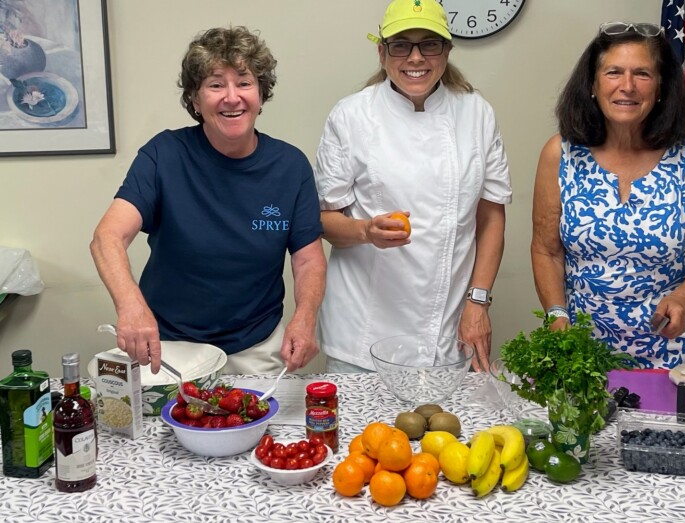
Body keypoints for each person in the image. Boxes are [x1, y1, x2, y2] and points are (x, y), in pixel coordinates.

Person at [90, 27, 326, 375]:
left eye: (244, 83)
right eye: (216, 85)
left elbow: (308, 260)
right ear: (196, 100)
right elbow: (107, 237)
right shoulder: (164, 154)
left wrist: (305, 319)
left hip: (258, 347)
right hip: (171, 347)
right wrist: (131, 306)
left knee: (263, 429)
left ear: (261, 94)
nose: (232, 97)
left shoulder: (290, 166)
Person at [314, 0, 513, 373]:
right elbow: (325, 221)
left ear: (447, 51)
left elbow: (491, 217)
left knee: (448, 433)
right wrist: (365, 230)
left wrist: (478, 302)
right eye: (401, 44)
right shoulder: (351, 115)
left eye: (429, 44)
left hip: (451, 331)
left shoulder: (476, 113)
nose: (416, 58)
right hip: (363, 332)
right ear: (382, 52)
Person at [531, 22, 685, 369]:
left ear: (660, 88)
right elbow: (546, 249)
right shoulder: (560, 154)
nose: (627, 86)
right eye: (613, 72)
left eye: (642, 74)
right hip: (583, 354)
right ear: (593, 85)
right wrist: (556, 313)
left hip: (673, 355)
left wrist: (684, 299)